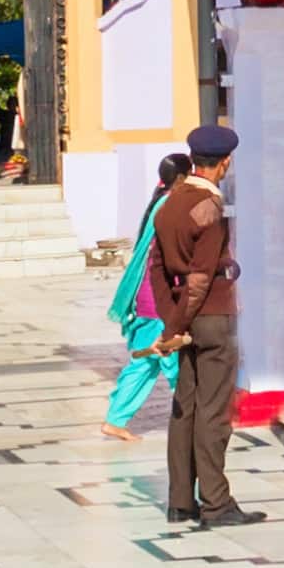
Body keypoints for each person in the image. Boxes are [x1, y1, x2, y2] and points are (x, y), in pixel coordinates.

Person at [150, 123, 263, 529]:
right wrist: (178, 322)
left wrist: (171, 322)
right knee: (213, 413)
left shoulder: (170, 204)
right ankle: (216, 504)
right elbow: (200, 278)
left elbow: (157, 268)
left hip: (184, 318)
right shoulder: (209, 210)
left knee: (186, 409)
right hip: (212, 316)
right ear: (225, 163)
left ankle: (181, 500)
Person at [101, 152, 190, 439]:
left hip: (147, 300)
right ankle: (192, 419)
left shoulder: (160, 202)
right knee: (175, 362)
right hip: (158, 302)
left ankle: (115, 419)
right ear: (182, 178)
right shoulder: (170, 206)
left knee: (144, 363)